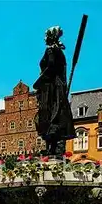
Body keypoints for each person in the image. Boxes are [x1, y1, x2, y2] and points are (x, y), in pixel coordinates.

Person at [33, 26, 75, 158]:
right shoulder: (59, 52)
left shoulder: (51, 50)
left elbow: (51, 67)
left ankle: (53, 148)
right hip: (58, 87)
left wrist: (39, 81)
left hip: (50, 87)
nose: (45, 38)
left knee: (50, 114)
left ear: (50, 37)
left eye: (46, 36)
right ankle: (54, 148)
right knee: (55, 116)